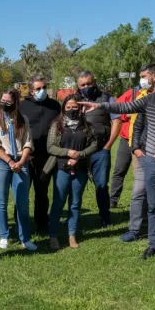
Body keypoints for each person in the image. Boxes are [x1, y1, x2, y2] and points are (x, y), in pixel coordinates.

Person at [82, 66, 155, 262]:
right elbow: (125, 107)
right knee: (153, 206)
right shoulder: (151, 99)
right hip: (152, 162)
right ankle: (154, 243)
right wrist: (101, 106)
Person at [45, 94, 98, 250]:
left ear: (80, 108)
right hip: (62, 168)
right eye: (68, 107)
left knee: (75, 204)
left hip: (80, 169)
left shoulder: (87, 126)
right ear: (63, 108)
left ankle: (72, 235)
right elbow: (50, 146)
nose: (71, 110)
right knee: (58, 203)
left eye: (75, 107)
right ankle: (53, 235)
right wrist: (68, 152)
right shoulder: (57, 125)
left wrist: (80, 155)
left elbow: (94, 144)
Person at [0, 88, 38, 251]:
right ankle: (4, 235)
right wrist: (9, 161)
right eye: (2, 100)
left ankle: (25, 238)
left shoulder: (23, 119)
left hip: (20, 162)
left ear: (15, 102)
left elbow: (28, 142)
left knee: (22, 202)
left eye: (8, 101)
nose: (4, 103)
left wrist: (21, 161)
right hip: (2, 162)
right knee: (1, 201)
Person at [118, 64, 155, 242]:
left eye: (144, 76)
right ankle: (135, 228)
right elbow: (137, 124)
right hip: (141, 151)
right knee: (138, 191)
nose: (141, 80)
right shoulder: (141, 96)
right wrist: (135, 147)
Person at [76, 71, 120, 227]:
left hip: (100, 150)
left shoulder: (107, 98)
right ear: (78, 85)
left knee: (101, 185)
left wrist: (108, 145)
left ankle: (105, 216)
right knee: (76, 186)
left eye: (89, 83)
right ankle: (75, 219)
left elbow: (116, 121)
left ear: (94, 82)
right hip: (79, 151)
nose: (86, 87)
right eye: (83, 85)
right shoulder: (74, 100)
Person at [19, 75, 61, 234]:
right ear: (31, 91)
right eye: (38, 89)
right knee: (22, 192)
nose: (42, 91)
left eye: (44, 87)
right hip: (26, 156)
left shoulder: (55, 105)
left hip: (47, 156)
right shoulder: (23, 106)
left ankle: (42, 223)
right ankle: (21, 224)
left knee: (42, 193)